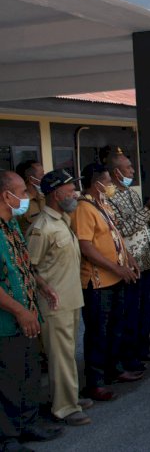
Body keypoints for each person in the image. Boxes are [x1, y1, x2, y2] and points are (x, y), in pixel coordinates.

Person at [0, 170, 64, 450]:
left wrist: (42, 285)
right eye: (23, 192)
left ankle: (28, 423)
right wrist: (19, 311)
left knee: (29, 371)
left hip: (26, 315)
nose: (27, 197)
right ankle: (8, 437)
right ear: (6, 195)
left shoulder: (11, 225)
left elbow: (24, 264)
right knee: (8, 380)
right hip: (7, 321)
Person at [72, 163, 143, 401]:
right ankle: (95, 382)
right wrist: (116, 267)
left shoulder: (101, 204)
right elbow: (86, 246)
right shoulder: (83, 208)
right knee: (97, 333)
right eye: (108, 181)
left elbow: (115, 236)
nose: (112, 185)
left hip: (116, 278)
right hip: (98, 282)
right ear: (96, 183)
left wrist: (128, 258)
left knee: (115, 327)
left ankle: (113, 370)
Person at [26, 169, 92, 427]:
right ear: (55, 194)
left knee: (68, 352)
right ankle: (64, 408)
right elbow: (27, 267)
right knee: (60, 356)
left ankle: (70, 396)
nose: (74, 193)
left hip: (71, 298)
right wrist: (44, 288)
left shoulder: (62, 220)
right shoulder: (41, 227)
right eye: (69, 189)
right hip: (55, 304)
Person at [107, 152, 150, 366]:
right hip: (129, 263)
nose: (132, 171)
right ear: (116, 172)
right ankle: (129, 356)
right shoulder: (110, 198)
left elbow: (146, 220)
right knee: (130, 311)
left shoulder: (131, 193)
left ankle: (143, 348)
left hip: (146, 259)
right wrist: (147, 210)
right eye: (129, 168)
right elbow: (122, 229)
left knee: (145, 308)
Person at [14, 160, 46, 235]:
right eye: (42, 175)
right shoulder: (20, 204)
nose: (45, 178)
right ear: (31, 180)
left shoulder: (45, 198)